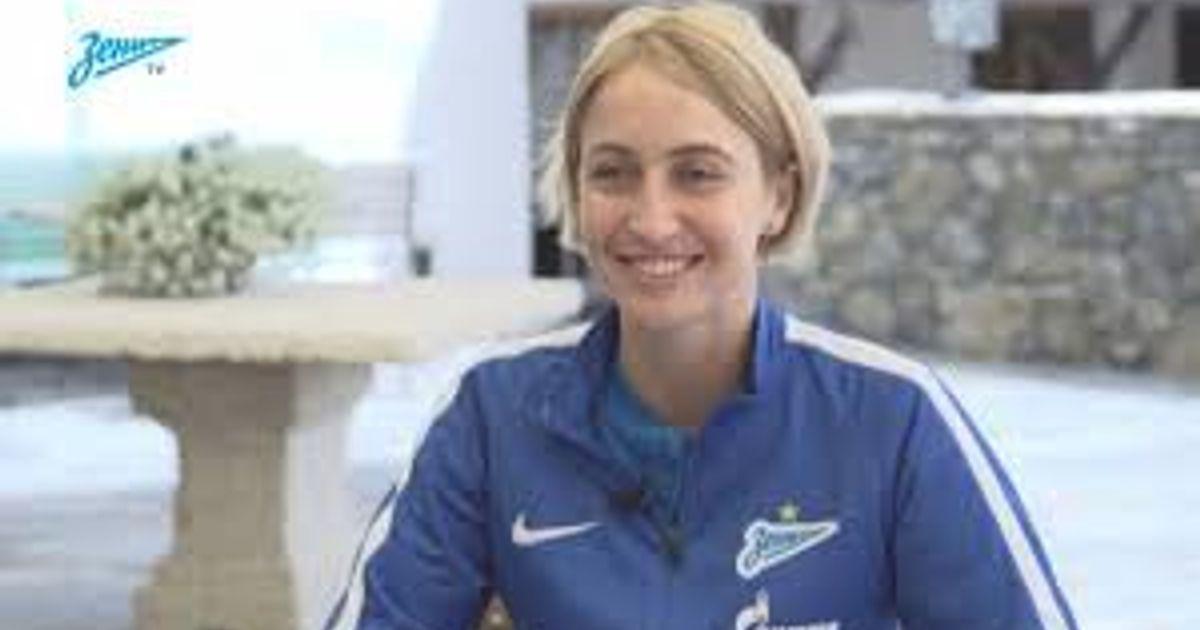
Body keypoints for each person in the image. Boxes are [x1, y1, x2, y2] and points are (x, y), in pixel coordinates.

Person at [325, 3, 1078, 629]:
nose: (652, 219)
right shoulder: (491, 417)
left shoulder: (893, 419)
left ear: (778, 195)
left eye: (698, 173)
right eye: (613, 173)